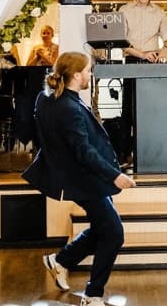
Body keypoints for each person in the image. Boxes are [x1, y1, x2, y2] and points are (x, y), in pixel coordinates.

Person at [22, 51, 135, 306]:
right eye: (88, 70)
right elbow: (83, 152)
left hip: (82, 178)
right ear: (75, 75)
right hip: (85, 180)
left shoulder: (48, 99)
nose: (90, 74)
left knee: (103, 228)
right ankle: (93, 295)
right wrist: (114, 175)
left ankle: (60, 261)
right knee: (114, 233)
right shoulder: (68, 108)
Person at [117, 0, 167, 165]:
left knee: (151, 109)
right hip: (133, 61)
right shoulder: (123, 11)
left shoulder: (160, 13)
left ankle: (150, 154)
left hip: (153, 63)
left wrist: (164, 50)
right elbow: (122, 42)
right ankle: (125, 154)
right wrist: (142, 55)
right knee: (128, 109)